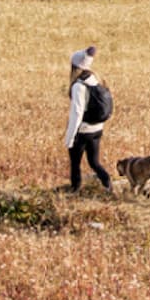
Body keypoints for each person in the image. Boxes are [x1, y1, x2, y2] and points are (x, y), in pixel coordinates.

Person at [63, 46, 112, 192]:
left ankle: (74, 190)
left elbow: (77, 113)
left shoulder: (78, 86)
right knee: (94, 162)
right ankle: (107, 184)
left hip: (83, 130)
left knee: (75, 163)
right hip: (97, 129)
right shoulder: (96, 79)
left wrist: (70, 138)